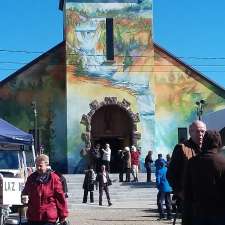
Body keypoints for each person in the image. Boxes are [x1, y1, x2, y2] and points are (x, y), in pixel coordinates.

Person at [166, 120, 206, 224]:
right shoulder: (181, 148)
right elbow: (171, 174)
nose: (201, 135)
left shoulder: (207, 149)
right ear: (190, 132)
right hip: (189, 200)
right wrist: (180, 192)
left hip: (205, 200)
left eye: (203, 131)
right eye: (197, 131)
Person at [183, 130, 225, 225]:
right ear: (219, 142)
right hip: (220, 213)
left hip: (199, 212)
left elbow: (188, 191)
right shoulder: (223, 162)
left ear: (204, 142)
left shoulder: (193, 162)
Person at [22, 154, 68, 225]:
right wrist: (23, 197)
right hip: (33, 217)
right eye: (37, 165)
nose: (38, 168)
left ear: (46, 165)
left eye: (40, 166)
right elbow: (25, 192)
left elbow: (60, 199)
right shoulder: (31, 178)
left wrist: (63, 216)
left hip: (48, 217)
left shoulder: (54, 178)